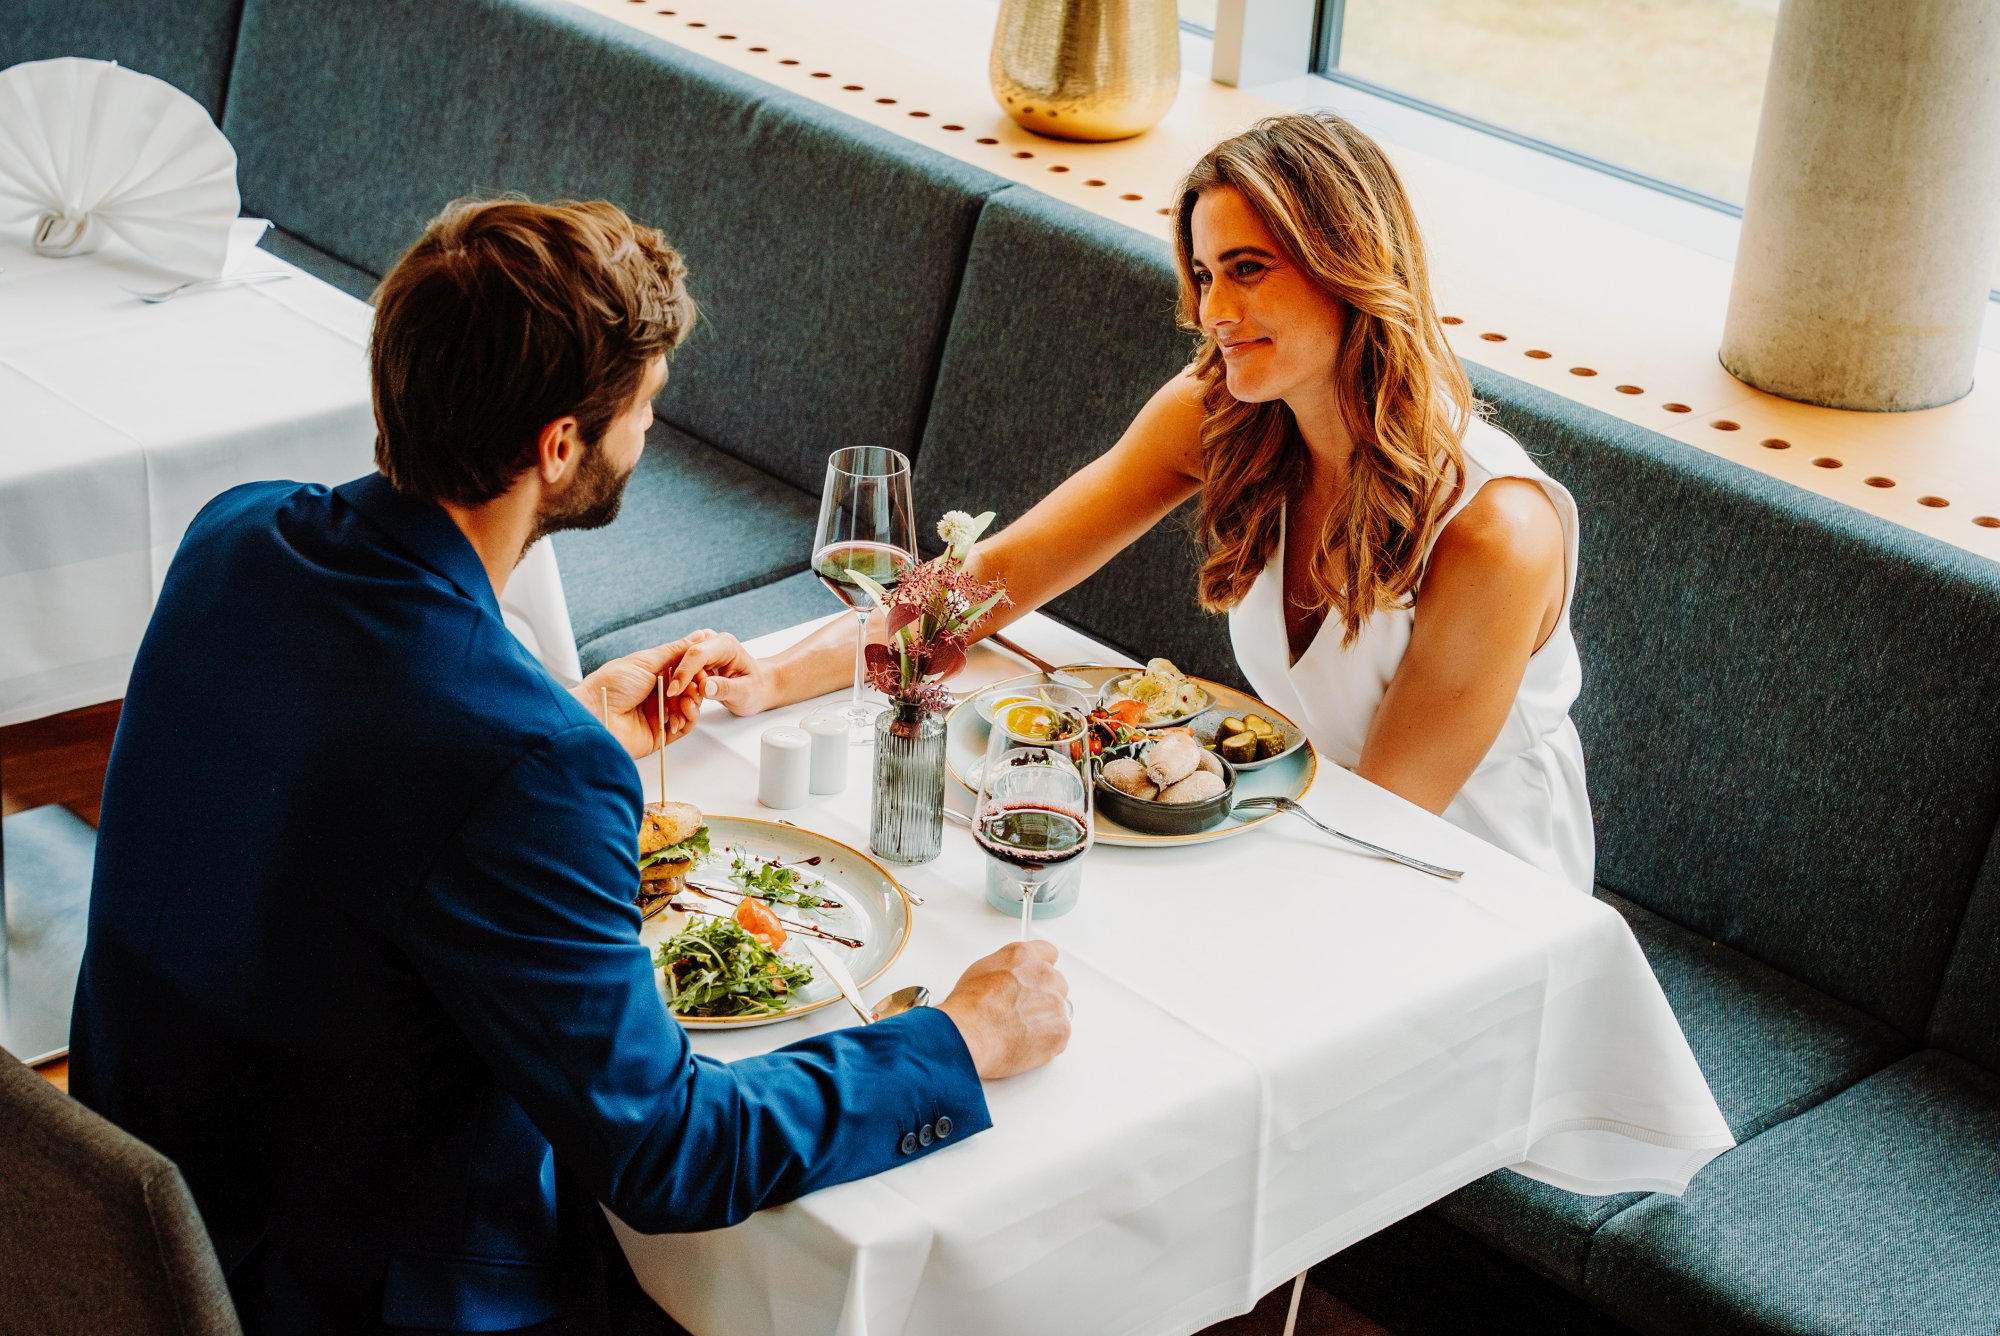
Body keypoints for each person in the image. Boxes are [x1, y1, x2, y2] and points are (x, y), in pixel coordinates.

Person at [69, 198, 1070, 1336]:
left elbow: (341, 778)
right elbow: (669, 1151)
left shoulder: (235, 538)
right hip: (351, 1293)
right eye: (641, 411)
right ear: (557, 446)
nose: (647, 433)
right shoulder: (520, 763)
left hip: (142, 1227)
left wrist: (564, 721)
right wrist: (959, 1040)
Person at [679, 114, 1594, 891]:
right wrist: (772, 679)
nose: (1212, 311)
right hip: (1293, 828)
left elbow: (1391, 828)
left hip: (1469, 886)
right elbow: (986, 583)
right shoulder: (1222, 413)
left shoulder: (1494, 532)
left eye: (1247, 268)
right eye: (1202, 275)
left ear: (1347, 265)